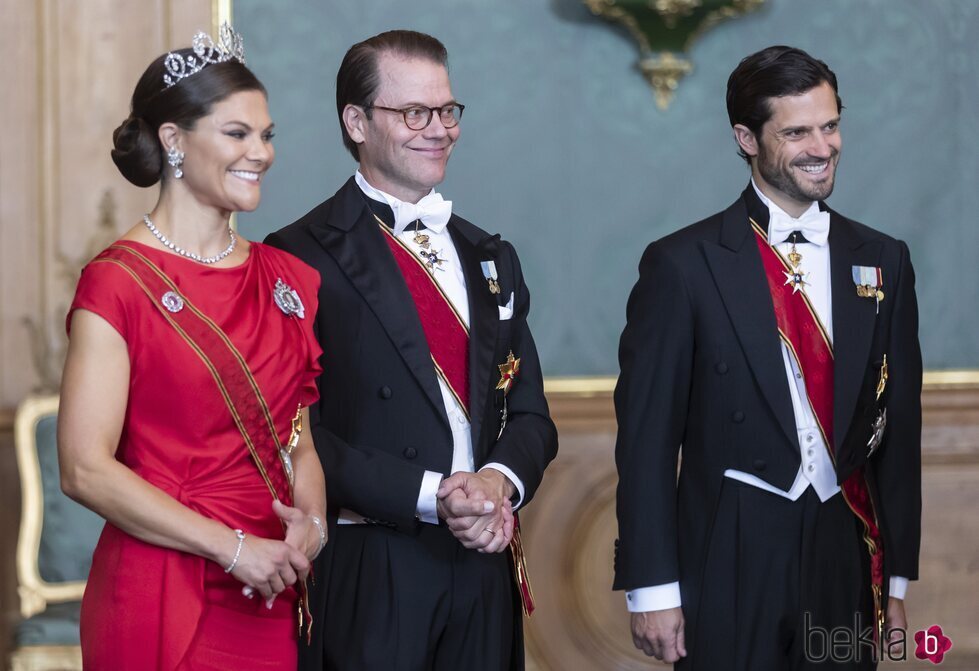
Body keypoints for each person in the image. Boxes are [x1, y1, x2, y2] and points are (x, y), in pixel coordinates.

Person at [613, 46, 921, 670]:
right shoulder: (683, 264)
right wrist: (651, 588)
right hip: (730, 546)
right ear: (746, 138)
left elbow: (900, 431)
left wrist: (895, 581)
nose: (822, 145)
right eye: (797, 131)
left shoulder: (883, 259)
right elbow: (646, 441)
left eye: (830, 125)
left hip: (843, 543)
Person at [266, 29, 558, 671]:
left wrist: (494, 485)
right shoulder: (296, 255)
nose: (440, 129)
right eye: (414, 113)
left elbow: (532, 414)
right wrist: (434, 495)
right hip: (372, 564)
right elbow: (293, 435)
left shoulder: (491, 256)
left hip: (484, 558)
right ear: (357, 121)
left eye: (448, 111)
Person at [58, 23, 327, 670]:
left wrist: (311, 521)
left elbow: (300, 439)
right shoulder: (117, 282)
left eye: (266, 135)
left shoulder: (289, 279)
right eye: (237, 133)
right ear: (173, 141)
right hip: (164, 585)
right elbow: (84, 468)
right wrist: (231, 547)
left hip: (269, 582)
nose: (259, 152)